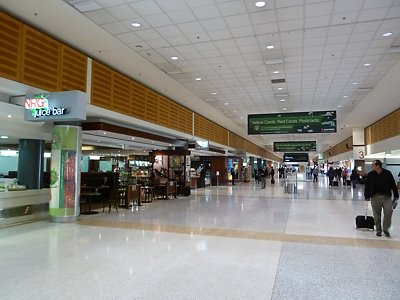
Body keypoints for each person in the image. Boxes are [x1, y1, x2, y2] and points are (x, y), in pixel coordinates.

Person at [364, 160, 399, 237]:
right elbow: (367, 186)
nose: (372, 166)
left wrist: (396, 195)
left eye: (373, 165)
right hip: (375, 197)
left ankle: (386, 228)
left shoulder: (387, 173)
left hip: (386, 197)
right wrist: (366, 196)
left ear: (378, 166)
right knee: (376, 214)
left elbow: (393, 184)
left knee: (389, 212)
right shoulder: (370, 174)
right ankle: (378, 229)